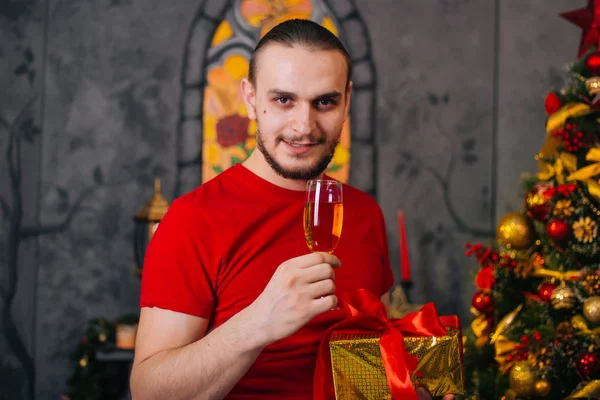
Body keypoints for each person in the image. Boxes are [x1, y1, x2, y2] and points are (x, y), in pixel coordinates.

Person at [130, 19, 454, 400]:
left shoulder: (364, 213)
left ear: (347, 101)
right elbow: (149, 393)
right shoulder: (191, 219)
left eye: (325, 102)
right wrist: (259, 322)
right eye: (284, 100)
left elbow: (375, 362)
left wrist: (416, 384)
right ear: (250, 99)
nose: (304, 126)